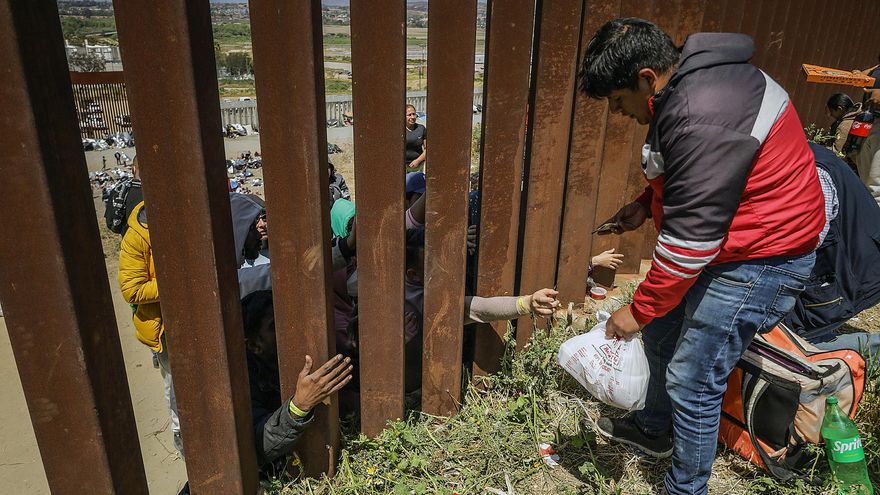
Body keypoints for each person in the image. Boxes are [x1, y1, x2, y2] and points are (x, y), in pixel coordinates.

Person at [578, 18, 824, 494]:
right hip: (733, 239)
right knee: (661, 336)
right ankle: (654, 430)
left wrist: (638, 309)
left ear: (647, 78)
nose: (618, 112)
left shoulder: (700, 112)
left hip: (763, 255)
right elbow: (702, 180)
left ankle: (687, 487)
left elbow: (691, 243)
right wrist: (646, 204)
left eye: (619, 100)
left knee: (693, 379)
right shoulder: (691, 85)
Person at [784, 144, 880, 370]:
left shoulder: (811, 173)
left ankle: (869, 352)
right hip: (838, 260)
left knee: (792, 342)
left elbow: (800, 250)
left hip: (852, 270)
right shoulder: (795, 155)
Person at [240, 290, 353, 469]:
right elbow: (260, 445)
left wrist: (357, 345)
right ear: (255, 346)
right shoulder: (244, 380)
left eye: (290, 320)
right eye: (275, 326)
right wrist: (299, 406)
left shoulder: (311, 349)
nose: (288, 330)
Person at [118, 201, 183, 455]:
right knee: (174, 380)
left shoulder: (184, 219)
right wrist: (177, 284)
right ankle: (180, 431)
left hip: (193, 318)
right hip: (163, 326)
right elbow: (132, 289)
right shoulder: (137, 236)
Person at [404, 104, 427, 171]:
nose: (413, 117)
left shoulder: (421, 128)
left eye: (414, 114)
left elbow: (427, 149)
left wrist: (418, 161)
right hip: (401, 167)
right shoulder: (399, 130)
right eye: (409, 115)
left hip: (417, 166)